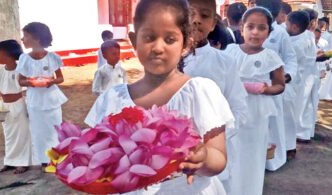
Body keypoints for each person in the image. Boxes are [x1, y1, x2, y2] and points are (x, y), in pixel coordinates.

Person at [85, 0, 234, 194]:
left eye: (170, 39)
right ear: (133, 41)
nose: (157, 47)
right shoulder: (112, 98)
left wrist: (203, 157)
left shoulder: (199, 92)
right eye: (148, 37)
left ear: (186, 43)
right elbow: (96, 153)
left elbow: (219, 158)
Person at [184, 0, 248, 192]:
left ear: (213, 23)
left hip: (213, 154)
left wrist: (213, 142)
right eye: (190, 14)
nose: (196, 21)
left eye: (204, 16)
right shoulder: (164, 60)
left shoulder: (225, 63)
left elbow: (239, 108)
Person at [224, 7, 285, 195]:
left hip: (257, 112)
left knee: (252, 154)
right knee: (231, 150)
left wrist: (266, 89)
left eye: (261, 28)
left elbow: (280, 85)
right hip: (232, 109)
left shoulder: (270, 57)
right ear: (242, 28)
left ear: (269, 31)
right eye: (250, 27)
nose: (255, 32)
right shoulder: (230, 51)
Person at [16, 22, 68, 168]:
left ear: (37, 38)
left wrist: (51, 81)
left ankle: (56, 158)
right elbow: (20, 81)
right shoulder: (24, 59)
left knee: (54, 128)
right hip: (35, 100)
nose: (22, 39)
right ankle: (44, 160)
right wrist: (31, 82)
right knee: (38, 131)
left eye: (25, 36)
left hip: (51, 99)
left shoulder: (53, 57)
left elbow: (60, 78)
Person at [256, 0, 297, 171]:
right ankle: (254, 158)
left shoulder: (280, 33)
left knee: (272, 124)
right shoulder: (250, 28)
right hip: (251, 87)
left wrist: (286, 76)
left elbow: (290, 58)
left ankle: (272, 160)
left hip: (273, 86)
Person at [0, 40, 36, 174]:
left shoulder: (20, 70)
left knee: (22, 135)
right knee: (9, 135)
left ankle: (23, 163)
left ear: (10, 54)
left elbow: (29, 85)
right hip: (4, 107)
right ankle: (10, 161)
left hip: (18, 105)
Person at [285, 10, 311, 159]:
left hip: (291, 82)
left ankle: (289, 147)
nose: (285, 27)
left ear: (294, 27)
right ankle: (289, 146)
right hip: (297, 82)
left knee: (288, 116)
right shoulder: (304, 38)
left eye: (287, 24)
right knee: (290, 115)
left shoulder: (296, 43)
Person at [295, 8, 318, 142]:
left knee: (309, 103)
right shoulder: (303, 36)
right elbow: (301, 56)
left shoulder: (309, 35)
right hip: (303, 74)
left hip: (311, 74)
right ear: (312, 22)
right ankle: (299, 131)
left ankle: (306, 131)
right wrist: (316, 58)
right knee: (302, 103)